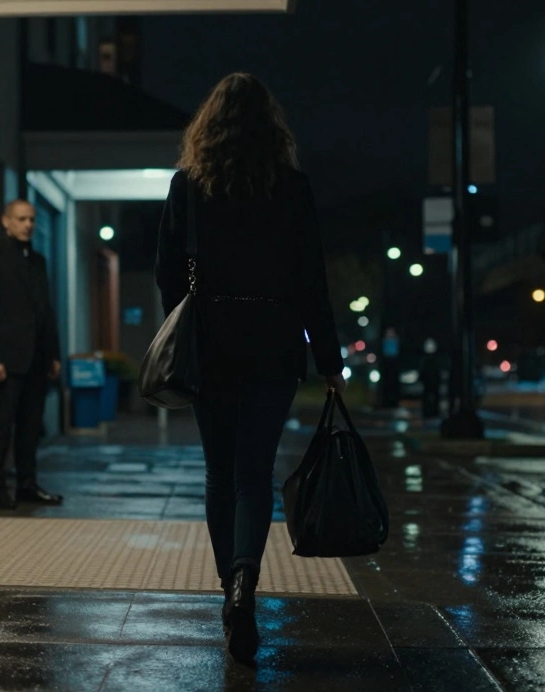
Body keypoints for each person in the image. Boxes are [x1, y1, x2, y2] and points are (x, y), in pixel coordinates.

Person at [154, 72, 345, 665]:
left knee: (219, 473)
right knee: (254, 472)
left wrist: (186, 327)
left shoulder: (188, 186)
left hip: (211, 342)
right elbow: (313, 279)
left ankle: (228, 591)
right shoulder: (291, 187)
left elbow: (166, 271)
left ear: (208, 126)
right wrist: (329, 359)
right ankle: (246, 581)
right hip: (274, 344)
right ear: (271, 127)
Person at [0, 200, 64, 510]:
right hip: (7, 359)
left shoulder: (38, 261)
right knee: (1, 425)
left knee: (30, 426)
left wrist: (53, 354)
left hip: (37, 359)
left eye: (31, 219)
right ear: (6, 221)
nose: (28, 224)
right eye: (21, 219)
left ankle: (27, 485)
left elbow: (46, 311)